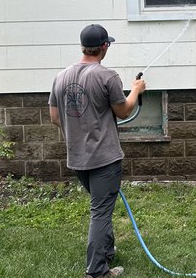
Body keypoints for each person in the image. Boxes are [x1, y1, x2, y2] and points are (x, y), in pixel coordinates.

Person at [49, 23, 146, 278]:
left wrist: (79, 127)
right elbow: (123, 111)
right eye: (107, 45)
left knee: (101, 207)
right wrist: (136, 90)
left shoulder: (61, 77)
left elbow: (55, 117)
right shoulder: (107, 76)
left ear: (83, 46)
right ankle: (97, 271)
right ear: (104, 47)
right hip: (104, 159)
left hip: (77, 159)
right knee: (101, 212)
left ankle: (106, 251)